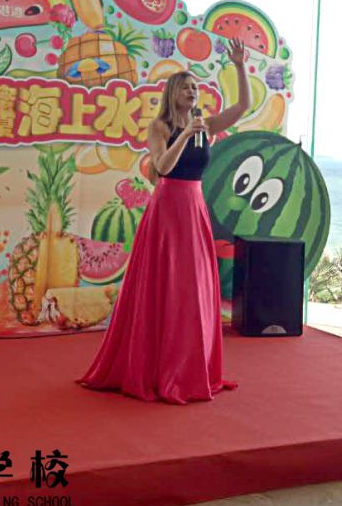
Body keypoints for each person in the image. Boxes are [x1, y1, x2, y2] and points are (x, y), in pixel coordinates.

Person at [77, 38, 251, 404]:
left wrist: (239, 65)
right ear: (173, 93)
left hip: (194, 207)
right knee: (165, 284)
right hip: (168, 208)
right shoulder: (160, 127)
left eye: (195, 87)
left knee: (192, 288)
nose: (192, 92)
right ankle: (156, 367)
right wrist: (185, 134)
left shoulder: (207, 125)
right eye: (186, 87)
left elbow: (242, 107)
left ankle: (189, 366)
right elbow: (163, 168)